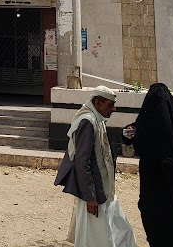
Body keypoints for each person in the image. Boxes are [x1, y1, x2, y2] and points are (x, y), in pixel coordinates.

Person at [55, 86, 137, 247]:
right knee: (97, 236)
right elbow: (81, 161)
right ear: (98, 103)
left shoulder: (96, 119)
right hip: (94, 192)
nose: (113, 109)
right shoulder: (88, 121)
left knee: (120, 231)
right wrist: (90, 196)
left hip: (104, 189)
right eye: (110, 105)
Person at [124, 83, 173, 247]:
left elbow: (137, 141)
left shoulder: (147, 120)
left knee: (157, 221)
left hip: (153, 182)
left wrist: (129, 134)